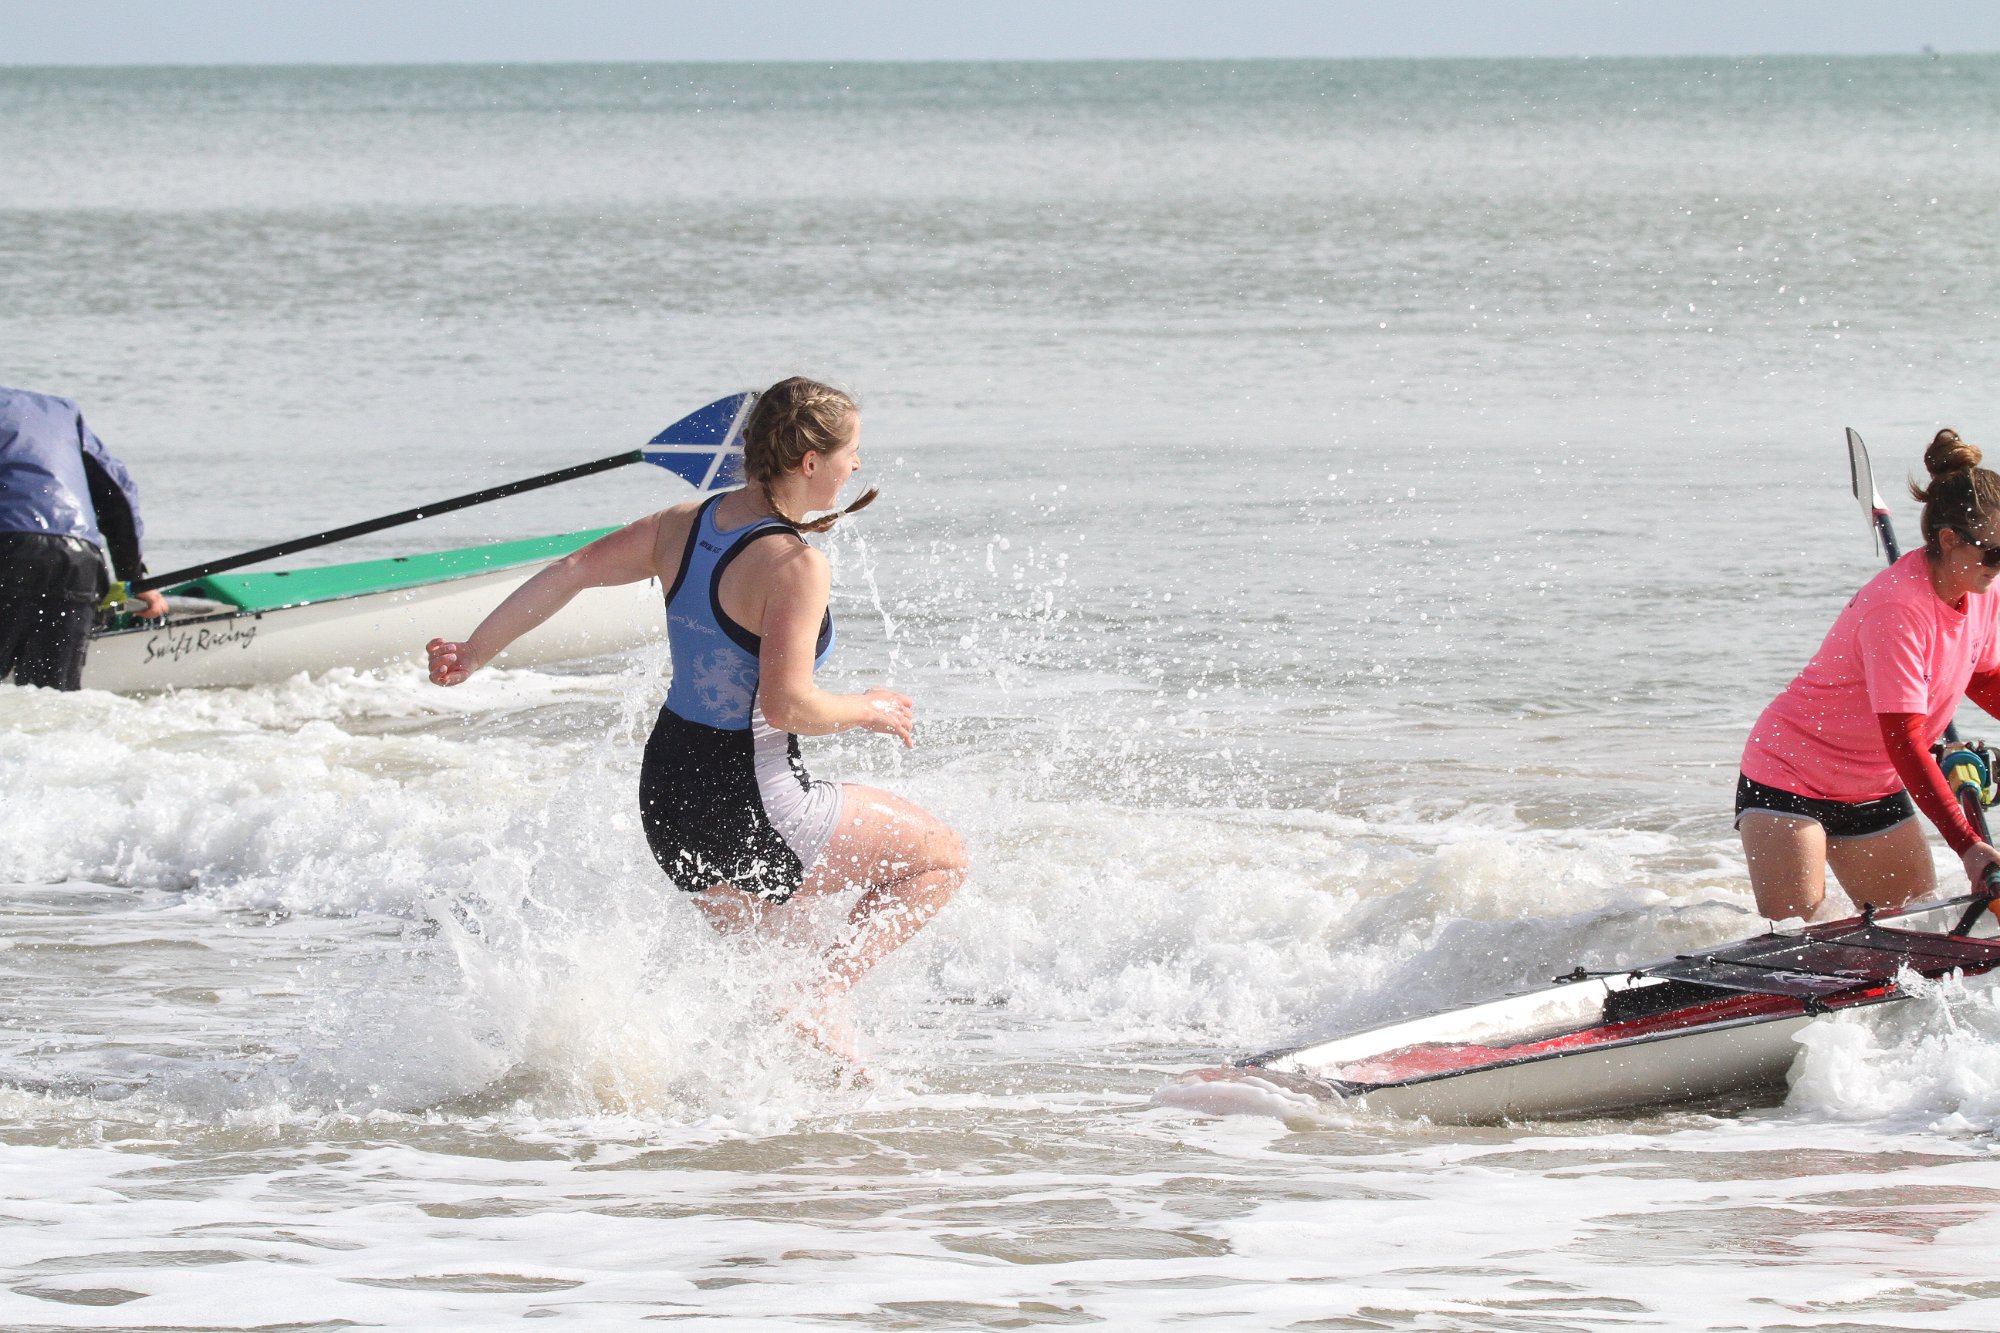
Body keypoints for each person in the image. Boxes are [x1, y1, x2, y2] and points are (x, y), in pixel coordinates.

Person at [425, 377, 968, 1070]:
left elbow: (573, 569)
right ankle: (826, 999)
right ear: (809, 462)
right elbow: (787, 705)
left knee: (779, 965)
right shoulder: (796, 565)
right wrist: (870, 707)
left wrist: (475, 651)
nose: (856, 466)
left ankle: (754, 1115)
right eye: (851, 452)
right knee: (939, 859)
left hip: (670, 797)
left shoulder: (683, 524)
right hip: (752, 802)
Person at [1738, 428, 2000, 921]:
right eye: (1995, 553)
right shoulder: (1898, 610)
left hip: (1872, 785)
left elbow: (1983, 677)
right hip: (1791, 774)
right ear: (1949, 539)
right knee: (1799, 941)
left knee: (1917, 931)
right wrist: (1967, 846)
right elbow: (1905, 740)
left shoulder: (1980, 588)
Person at [0, 384, 167, 690]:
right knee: (52, 700)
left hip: (6, 552)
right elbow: (117, 494)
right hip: (76, 561)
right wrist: (135, 578)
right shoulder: (60, 410)